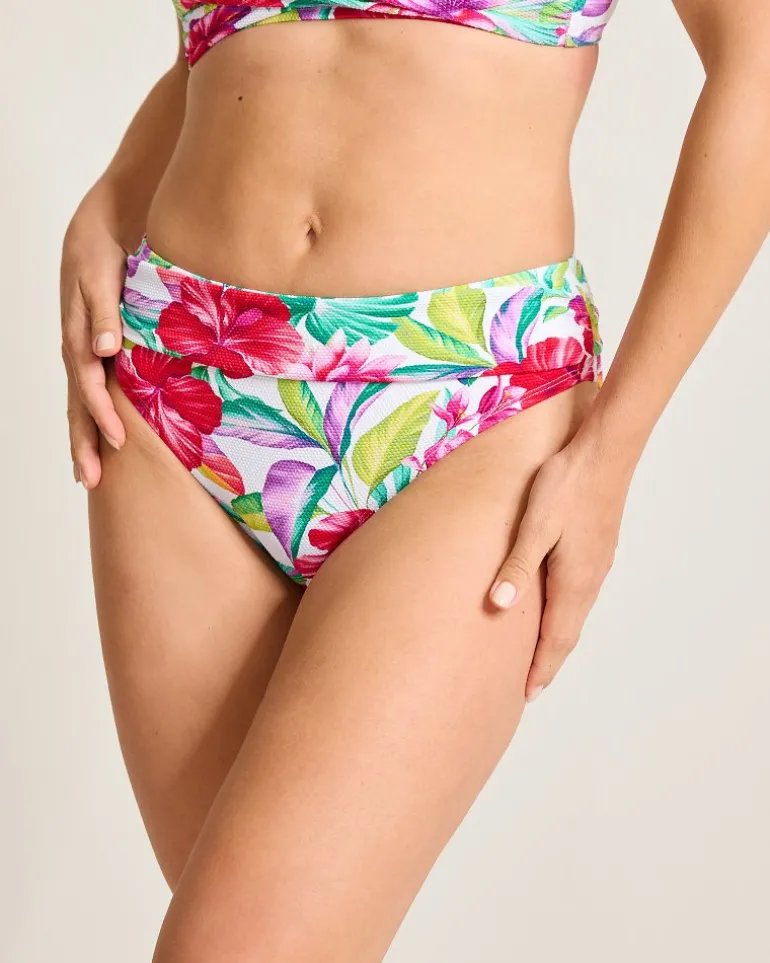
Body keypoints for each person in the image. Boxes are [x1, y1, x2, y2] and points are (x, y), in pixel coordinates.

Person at [59, 2, 770, 960]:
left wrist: (613, 451)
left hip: (470, 406)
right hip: (175, 386)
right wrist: (111, 193)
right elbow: (226, 42)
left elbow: (757, 66)